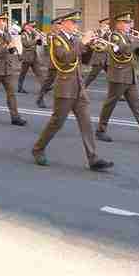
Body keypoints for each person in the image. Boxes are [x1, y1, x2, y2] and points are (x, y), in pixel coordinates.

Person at [31, 10, 114, 172]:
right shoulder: (56, 40)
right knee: (56, 122)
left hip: (78, 87)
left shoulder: (75, 39)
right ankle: (38, 149)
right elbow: (65, 58)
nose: (76, 25)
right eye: (73, 22)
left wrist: (90, 47)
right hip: (65, 88)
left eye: (76, 23)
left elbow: (85, 61)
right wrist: (83, 42)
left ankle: (93, 158)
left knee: (87, 124)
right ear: (63, 24)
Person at [95, 12, 139, 144]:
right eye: (126, 23)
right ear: (119, 24)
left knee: (138, 105)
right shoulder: (114, 36)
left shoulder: (128, 36)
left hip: (130, 74)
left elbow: (138, 53)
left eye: (129, 23)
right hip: (118, 75)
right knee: (110, 104)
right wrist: (138, 39)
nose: (129, 25)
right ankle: (100, 130)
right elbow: (125, 50)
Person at [35, 19, 61, 108]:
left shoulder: (60, 34)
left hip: (63, 64)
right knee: (48, 83)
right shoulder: (51, 35)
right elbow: (55, 47)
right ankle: (40, 98)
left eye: (60, 24)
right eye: (58, 24)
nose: (60, 25)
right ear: (53, 25)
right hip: (54, 63)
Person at [17, 21, 44, 94]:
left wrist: (39, 36)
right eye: (30, 26)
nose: (32, 27)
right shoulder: (23, 34)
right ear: (26, 27)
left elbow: (39, 43)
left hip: (34, 56)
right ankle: (20, 87)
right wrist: (35, 40)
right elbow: (26, 44)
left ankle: (44, 87)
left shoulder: (33, 34)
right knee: (23, 73)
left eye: (32, 26)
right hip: (27, 57)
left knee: (39, 72)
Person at [84, 18, 111, 88]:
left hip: (107, 59)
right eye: (105, 24)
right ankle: (81, 89)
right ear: (101, 24)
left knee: (113, 77)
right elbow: (89, 43)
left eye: (108, 24)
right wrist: (94, 42)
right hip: (98, 58)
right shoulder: (96, 32)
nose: (107, 25)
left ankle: (117, 94)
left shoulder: (110, 33)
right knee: (92, 76)